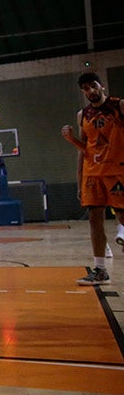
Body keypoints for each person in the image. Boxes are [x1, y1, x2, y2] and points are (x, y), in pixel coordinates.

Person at [60, 73, 124, 286]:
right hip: (92, 173)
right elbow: (85, 149)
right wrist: (71, 141)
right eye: (85, 88)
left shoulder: (119, 106)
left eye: (93, 86)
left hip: (116, 171)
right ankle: (100, 270)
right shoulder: (83, 115)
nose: (90, 91)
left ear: (102, 86)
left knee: (122, 218)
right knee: (94, 219)